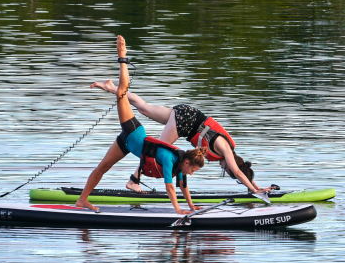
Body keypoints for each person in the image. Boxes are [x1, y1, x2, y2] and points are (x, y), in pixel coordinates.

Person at [76, 36, 207, 214]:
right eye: (192, 170)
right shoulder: (170, 159)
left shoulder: (181, 164)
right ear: (186, 162)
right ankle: (122, 57)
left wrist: (191, 206)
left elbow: (183, 186)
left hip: (127, 143)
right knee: (121, 93)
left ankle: (82, 200)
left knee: (103, 167)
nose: (191, 173)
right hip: (133, 132)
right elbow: (170, 188)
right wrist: (178, 210)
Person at [90, 82, 272, 195]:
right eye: (226, 169)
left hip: (185, 113)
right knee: (155, 149)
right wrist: (256, 190)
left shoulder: (228, 152)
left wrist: (255, 185)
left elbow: (242, 172)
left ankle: (111, 87)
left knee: (144, 108)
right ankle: (134, 181)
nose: (223, 167)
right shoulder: (225, 149)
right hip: (185, 122)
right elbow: (239, 172)